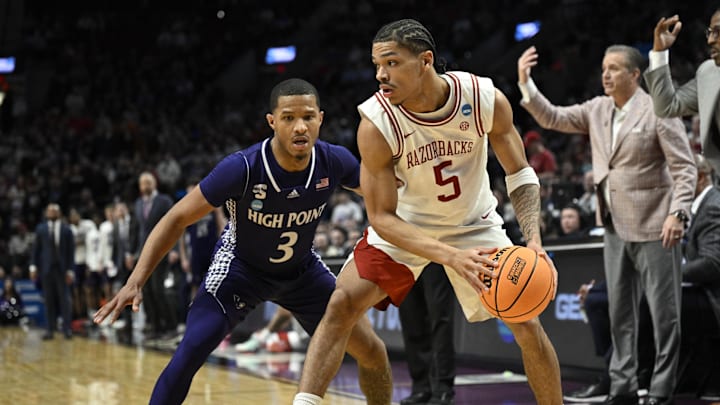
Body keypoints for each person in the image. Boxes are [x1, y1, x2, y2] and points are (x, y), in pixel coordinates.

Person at [295, 19, 561, 405]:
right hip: (407, 227)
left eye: (391, 63)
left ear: (425, 61)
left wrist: (533, 240)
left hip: (473, 223)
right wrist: (451, 257)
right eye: (376, 65)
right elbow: (381, 217)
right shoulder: (376, 124)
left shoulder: (483, 97)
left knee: (525, 321)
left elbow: (519, 173)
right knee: (341, 303)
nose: (380, 75)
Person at [93, 78, 378, 405]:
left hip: (302, 271)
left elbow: (382, 191)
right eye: (288, 118)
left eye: (308, 117)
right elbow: (175, 218)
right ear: (272, 121)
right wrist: (136, 279)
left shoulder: (334, 160)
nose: (300, 127)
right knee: (191, 350)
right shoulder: (241, 168)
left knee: (367, 348)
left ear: (321, 119)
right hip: (241, 270)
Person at [518, 44, 697, 404]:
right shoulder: (597, 109)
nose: (605, 75)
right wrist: (526, 83)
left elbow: (685, 167)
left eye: (614, 68)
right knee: (620, 313)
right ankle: (623, 387)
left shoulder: (657, 109)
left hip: (656, 227)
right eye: (603, 68)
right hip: (614, 225)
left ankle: (661, 391)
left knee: (665, 317)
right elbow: (552, 116)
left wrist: (678, 213)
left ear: (635, 75)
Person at [566, 153, 720, 403]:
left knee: (643, 302)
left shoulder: (713, 205)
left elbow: (712, 265)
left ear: (698, 177)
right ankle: (622, 371)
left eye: (675, 177)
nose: (671, 184)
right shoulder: (684, 207)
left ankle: (615, 378)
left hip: (708, 297)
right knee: (598, 298)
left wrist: (661, 275)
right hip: (681, 286)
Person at [644, 11, 720, 178]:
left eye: (718, 32)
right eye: (710, 32)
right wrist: (659, 53)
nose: (710, 40)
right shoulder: (709, 73)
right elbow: (667, 106)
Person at [398, 262, 456, 405]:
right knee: (411, 320)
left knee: (440, 319)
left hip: (434, 252)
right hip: (404, 255)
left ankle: (443, 388)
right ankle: (421, 387)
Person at [131, 171, 176, 338]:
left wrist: (175, 250)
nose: (145, 186)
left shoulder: (164, 201)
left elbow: (175, 225)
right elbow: (135, 230)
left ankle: (170, 326)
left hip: (161, 251)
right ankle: (155, 326)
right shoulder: (137, 203)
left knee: (159, 290)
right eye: (142, 183)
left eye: (148, 182)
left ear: (154, 184)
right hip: (143, 254)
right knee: (147, 291)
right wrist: (132, 252)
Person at [29, 203, 75, 340]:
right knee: (48, 300)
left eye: (55, 211)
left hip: (62, 270)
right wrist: (33, 266)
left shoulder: (67, 229)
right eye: (50, 211)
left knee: (65, 300)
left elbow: (71, 252)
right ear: (46, 213)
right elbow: (36, 249)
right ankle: (50, 329)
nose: (52, 213)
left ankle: (67, 329)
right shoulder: (40, 229)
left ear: (59, 213)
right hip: (46, 269)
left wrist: (70, 271)